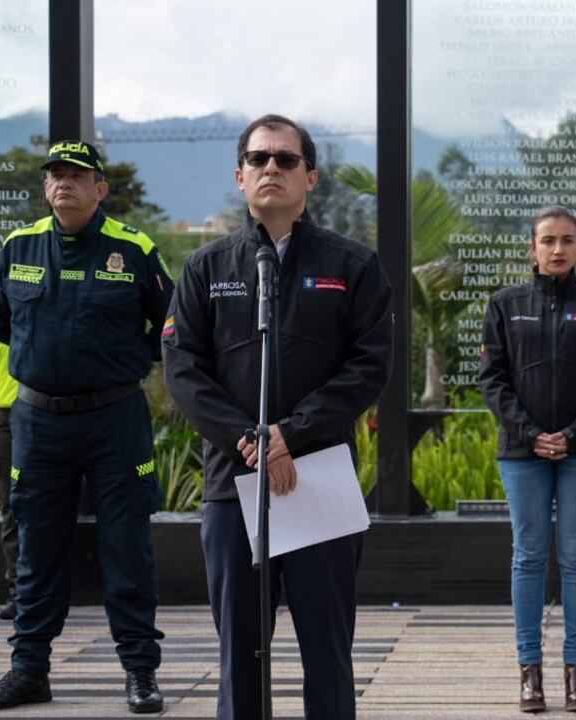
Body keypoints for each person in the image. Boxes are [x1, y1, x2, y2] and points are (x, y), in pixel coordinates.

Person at [162, 114, 393, 720]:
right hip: (233, 481)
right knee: (240, 656)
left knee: (327, 652)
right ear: (239, 176)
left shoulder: (353, 265)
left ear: (310, 177)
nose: (271, 168)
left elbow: (369, 366)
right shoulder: (205, 268)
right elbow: (183, 370)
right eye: (258, 158)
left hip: (319, 479)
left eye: (286, 159)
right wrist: (253, 441)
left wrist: (291, 433)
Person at [0, 140, 171, 712]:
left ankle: (141, 671)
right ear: (45, 187)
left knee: (127, 547)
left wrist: (117, 365)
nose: (64, 183)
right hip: (38, 422)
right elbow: (4, 323)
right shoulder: (17, 246)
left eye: (77, 175)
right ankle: (29, 671)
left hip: (114, 420)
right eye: (55, 175)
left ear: (101, 188)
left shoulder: (134, 249)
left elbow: (170, 329)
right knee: (36, 549)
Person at [479, 205, 576, 714]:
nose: (558, 249)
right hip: (523, 452)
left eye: (567, 240)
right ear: (532, 248)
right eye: (548, 240)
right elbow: (492, 379)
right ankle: (530, 673)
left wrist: (573, 435)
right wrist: (531, 432)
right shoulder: (504, 305)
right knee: (529, 556)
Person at [0, 345, 18, 622]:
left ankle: (22, 590)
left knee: (15, 502)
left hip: (24, 408)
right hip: (9, 410)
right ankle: (19, 590)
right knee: (12, 503)